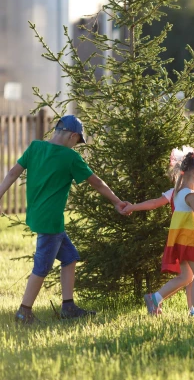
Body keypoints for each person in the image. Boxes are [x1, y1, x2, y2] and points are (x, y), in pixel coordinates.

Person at [0, 115, 128, 324]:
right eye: (77, 143)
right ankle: (24, 311)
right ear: (73, 136)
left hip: (40, 216)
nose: (75, 147)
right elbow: (96, 182)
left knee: (69, 257)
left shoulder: (35, 148)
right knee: (42, 267)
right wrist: (116, 201)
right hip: (51, 221)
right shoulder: (70, 157)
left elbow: (14, 172)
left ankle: (68, 307)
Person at [124, 146, 194, 317]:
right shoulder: (190, 195)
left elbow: (153, 203)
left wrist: (133, 207)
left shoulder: (175, 192)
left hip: (180, 240)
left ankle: (155, 298)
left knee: (186, 277)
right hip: (189, 240)